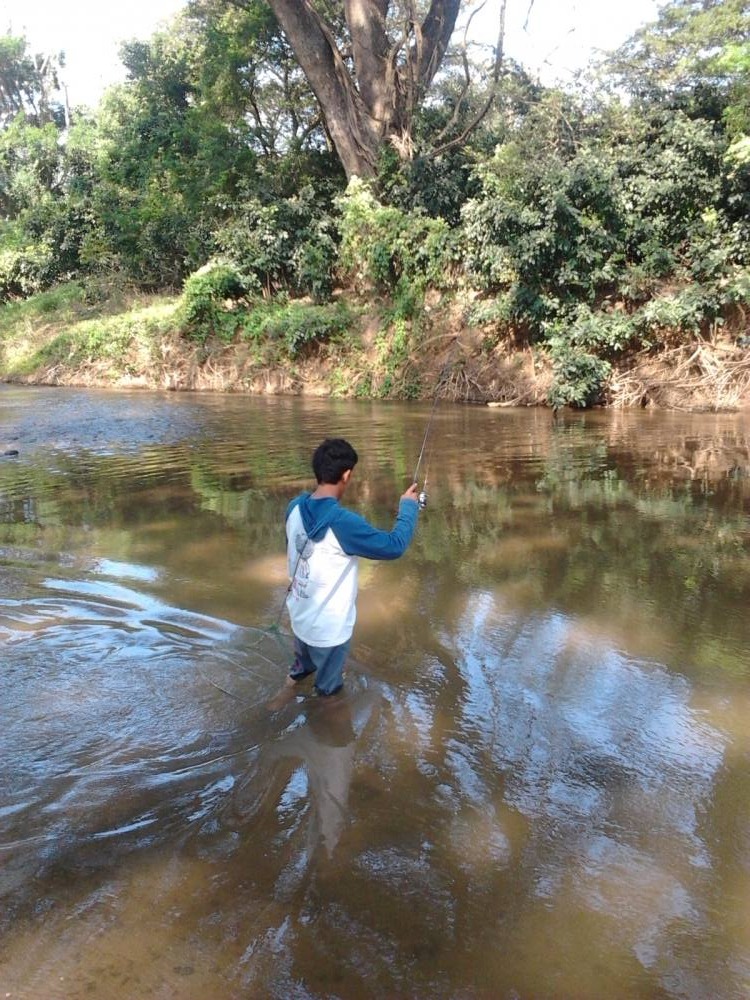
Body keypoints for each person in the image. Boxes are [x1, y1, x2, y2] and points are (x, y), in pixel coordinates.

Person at [283, 437, 419, 697]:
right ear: (346, 475)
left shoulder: (294, 508)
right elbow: (394, 546)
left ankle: (281, 698)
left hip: (299, 618)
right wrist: (408, 508)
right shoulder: (343, 523)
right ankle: (330, 732)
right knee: (329, 694)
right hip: (329, 632)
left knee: (300, 670)